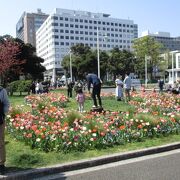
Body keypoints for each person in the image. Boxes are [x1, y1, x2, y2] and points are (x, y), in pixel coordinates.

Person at [0, 85, 10, 175]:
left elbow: (6, 103)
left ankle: (1, 164)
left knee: (0, 142)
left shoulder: (2, 91)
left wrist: (3, 114)